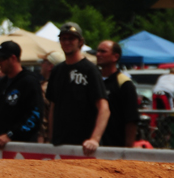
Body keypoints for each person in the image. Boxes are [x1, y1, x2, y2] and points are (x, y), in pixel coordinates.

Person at [46, 22, 109, 156]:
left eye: (71, 39)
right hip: (60, 143)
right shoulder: (57, 71)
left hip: (85, 146)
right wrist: (51, 137)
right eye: (63, 39)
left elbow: (104, 108)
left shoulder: (90, 70)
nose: (67, 42)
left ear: (80, 42)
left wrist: (94, 139)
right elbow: (53, 106)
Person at [0, 41, 42, 149]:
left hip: (20, 146)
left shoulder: (29, 81)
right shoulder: (2, 83)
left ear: (13, 58)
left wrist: (11, 135)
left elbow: (35, 115)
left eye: (1, 59)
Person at [95, 40, 139, 148]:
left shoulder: (124, 83)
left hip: (115, 145)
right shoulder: (94, 80)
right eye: (97, 51)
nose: (98, 54)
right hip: (93, 144)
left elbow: (131, 119)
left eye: (103, 51)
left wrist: (128, 148)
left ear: (115, 56)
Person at [37, 51, 64, 143]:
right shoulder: (64, 86)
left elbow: (43, 119)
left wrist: (42, 142)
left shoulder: (45, 88)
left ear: (50, 66)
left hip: (47, 140)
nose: (41, 65)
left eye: (43, 62)